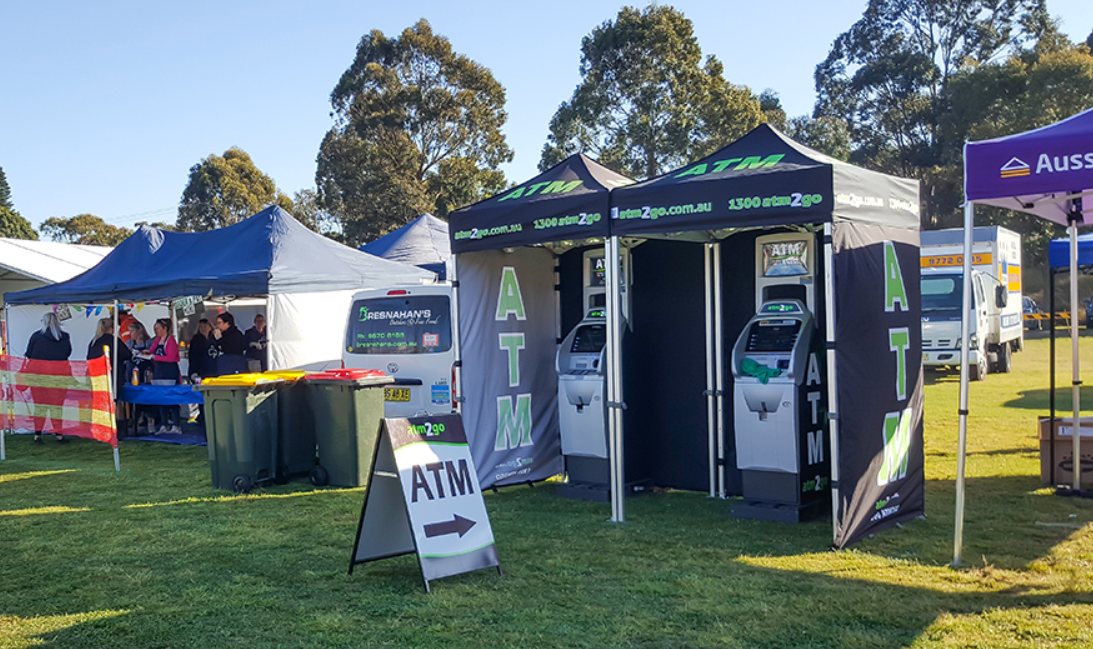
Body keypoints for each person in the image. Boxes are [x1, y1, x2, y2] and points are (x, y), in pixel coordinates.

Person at [24, 312, 72, 443]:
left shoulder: (36, 336)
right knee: (57, 407)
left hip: (38, 377)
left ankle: (37, 435)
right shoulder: (64, 337)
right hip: (59, 377)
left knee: (39, 407)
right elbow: (67, 353)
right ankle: (59, 435)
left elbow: (29, 354)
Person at [146, 318, 182, 434]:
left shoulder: (170, 340)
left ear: (165, 329)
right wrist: (141, 353)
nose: (155, 330)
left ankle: (176, 425)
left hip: (169, 372)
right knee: (161, 397)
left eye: (157, 328)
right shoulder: (157, 340)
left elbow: (171, 358)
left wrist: (155, 358)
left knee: (172, 397)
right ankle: (164, 424)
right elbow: (151, 351)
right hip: (159, 371)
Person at [87, 317, 132, 394]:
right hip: (113, 375)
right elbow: (127, 355)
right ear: (112, 329)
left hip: (96, 375)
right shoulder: (114, 340)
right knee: (115, 399)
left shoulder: (93, 342)